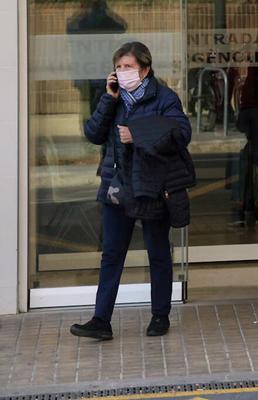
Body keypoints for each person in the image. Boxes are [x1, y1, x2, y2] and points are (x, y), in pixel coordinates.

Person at [70, 42, 192, 341]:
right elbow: (93, 134)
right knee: (112, 254)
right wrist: (108, 100)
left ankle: (160, 315)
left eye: (129, 67)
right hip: (118, 185)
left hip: (151, 185)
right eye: (119, 67)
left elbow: (181, 134)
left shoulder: (163, 97)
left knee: (157, 251)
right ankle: (101, 320)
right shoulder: (115, 99)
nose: (123, 73)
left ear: (145, 69)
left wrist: (137, 134)